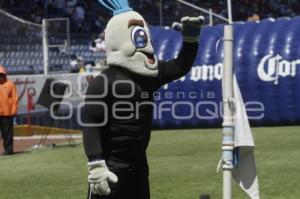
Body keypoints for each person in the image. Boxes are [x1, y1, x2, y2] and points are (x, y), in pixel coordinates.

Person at [83, 1, 204, 199]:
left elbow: (180, 66)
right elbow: (91, 126)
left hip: (139, 165)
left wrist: (190, 40)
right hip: (110, 166)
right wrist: (96, 165)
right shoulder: (103, 82)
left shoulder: (150, 75)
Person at [0, 65, 18, 155]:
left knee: (7, 133)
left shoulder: (10, 84)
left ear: (4, 74)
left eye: (1, 74)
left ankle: (8, 150)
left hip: (7, 113)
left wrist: (13, 111)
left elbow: (14, 99)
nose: (0, 76)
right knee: (4, 133)